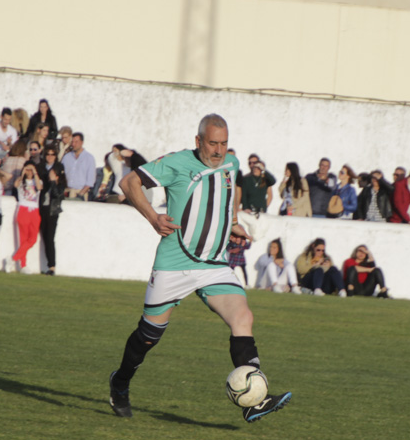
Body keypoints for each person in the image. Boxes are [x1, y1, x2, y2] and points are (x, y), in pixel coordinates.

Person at [107, 113, 291, 423]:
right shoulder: (177, 163)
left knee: (243, 317)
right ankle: (120, 382)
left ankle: (253, 400)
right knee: (149, 335)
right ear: (198, 141)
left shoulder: (231, 164)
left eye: (224, 143)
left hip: (213, 264)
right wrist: (154, 218)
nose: (219, 151)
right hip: (175, 263)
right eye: (212, 144)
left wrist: (232, 223)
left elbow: (228, 194)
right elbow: (129, 182)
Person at [12, 161, 43, 271]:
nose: (29, 172)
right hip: (23, 209)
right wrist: (22, 173)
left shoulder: (37, 180)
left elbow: (39, 187)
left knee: (32, 239)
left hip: (34, 210)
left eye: (31, 170)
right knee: (23, 238)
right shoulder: (21, 182)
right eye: (28, 170)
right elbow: (15, 185)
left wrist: (35, 173)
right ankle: (23, 265)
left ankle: (13, 259)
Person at [39, 157, 66, 275]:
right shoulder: (47, 184)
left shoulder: (59, 186)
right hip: (44, 211)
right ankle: (49, 265)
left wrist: (54, 182)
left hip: (52, 213)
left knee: (50, 238)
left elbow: (56, 195)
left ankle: (52, 266)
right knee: (45, 238)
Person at [61, 132, 96, 200]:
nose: (73, 144)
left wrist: (80, 195)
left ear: (82, 142)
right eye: (72, 142)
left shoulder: (89, 158)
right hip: (67, 192)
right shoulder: (66, 157)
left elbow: (90, 181)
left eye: (76, 142)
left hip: (81, 192)